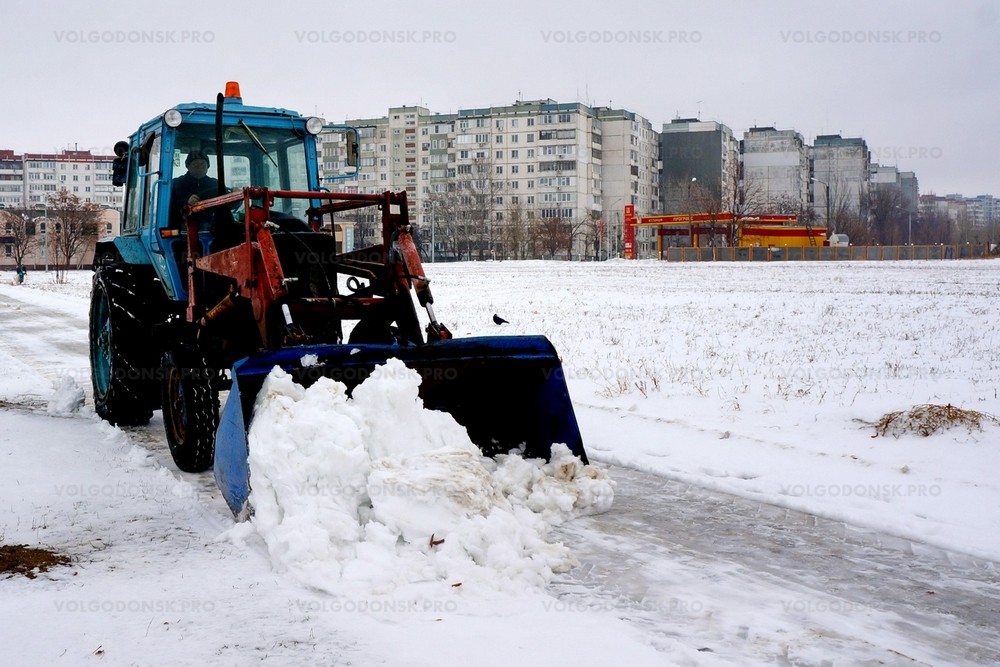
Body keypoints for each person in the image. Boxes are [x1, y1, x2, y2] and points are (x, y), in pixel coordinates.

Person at [171, 150, 222, 228]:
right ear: (188, 166)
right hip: (183, 229)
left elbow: (226, 205)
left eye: (203, 164)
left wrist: (235, 196)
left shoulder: (215, 184)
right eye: (195, 165)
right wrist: (186, 202)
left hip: (212, 228)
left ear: (208, 166)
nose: (200, 168)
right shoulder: (176, 183)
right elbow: (167, 206)